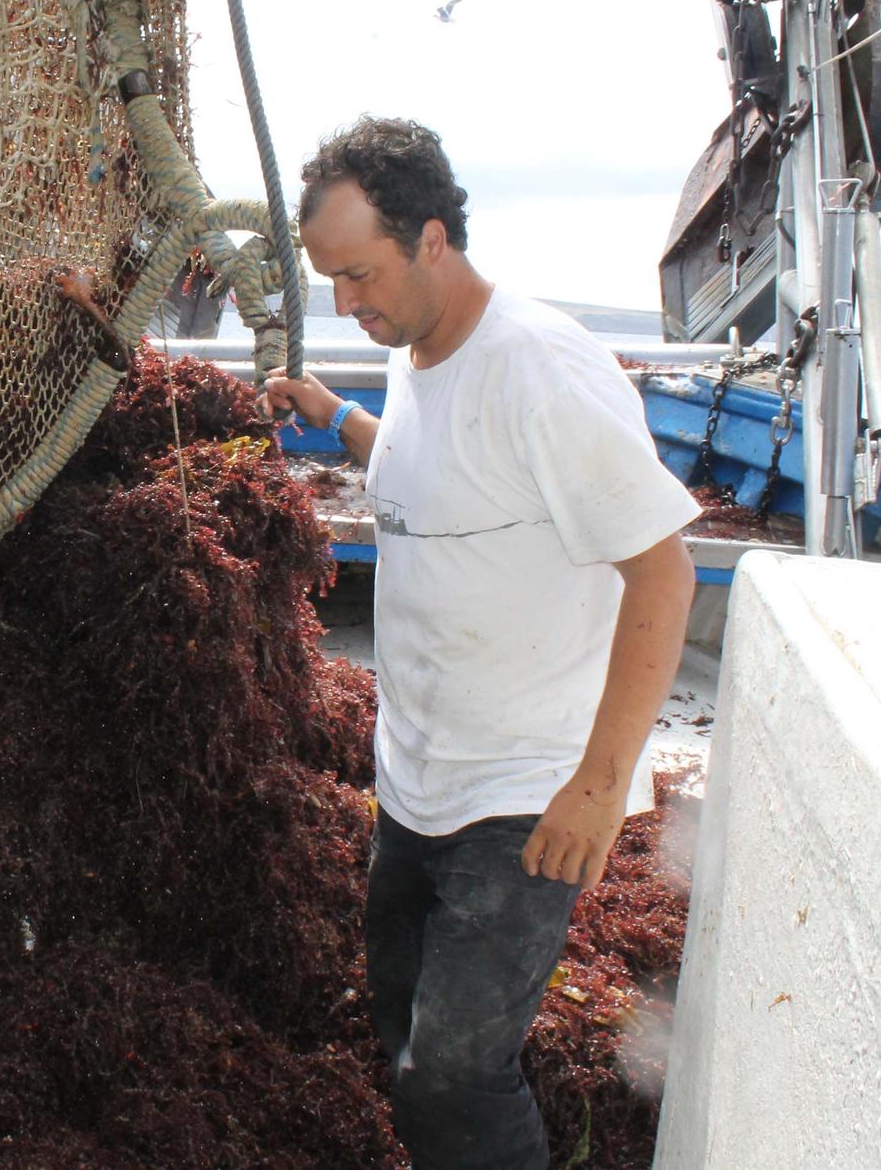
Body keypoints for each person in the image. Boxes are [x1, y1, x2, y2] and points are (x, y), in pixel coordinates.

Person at [262, 117, 700, 1170]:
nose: (344, 303)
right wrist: (340, 418)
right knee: (404, 1032)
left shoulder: (540, 369)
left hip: (522, 799)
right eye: (328, 280)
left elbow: (661, 572)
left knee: (457, 1071)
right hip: (412, 782)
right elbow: (436, 470)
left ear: (431, 238)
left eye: (358, 273)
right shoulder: (415, 351)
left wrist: (598, 787)